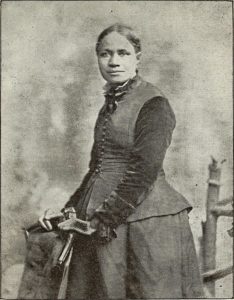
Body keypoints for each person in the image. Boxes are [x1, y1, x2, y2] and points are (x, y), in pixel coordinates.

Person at [19, 23, 204, 299]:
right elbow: (97, 169)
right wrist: (68, 211)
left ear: (137, 57)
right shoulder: (110, 105)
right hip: (99, 217)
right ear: (98, 59)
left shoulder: (154, 104)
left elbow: (144, 172)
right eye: (105, 54)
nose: (114, 61)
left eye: (123, 53)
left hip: (143, 220)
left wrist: (102, 219)